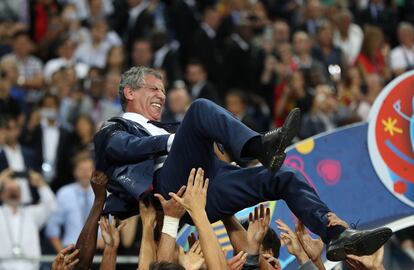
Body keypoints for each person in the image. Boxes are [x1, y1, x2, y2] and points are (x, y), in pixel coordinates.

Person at [94, 66, 391, 261]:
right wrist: (173, 141)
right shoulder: (114, 128)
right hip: (171, 190)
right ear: (129, 92)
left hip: (209, 183)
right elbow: (124, 148)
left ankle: (336, 235)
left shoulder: (168, 126)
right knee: (198, 108)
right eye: (152, 88)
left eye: (162, 89)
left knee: (284, 176)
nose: (161, 95)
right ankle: (257, 146)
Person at [0, 171, 56, 270]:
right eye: (9, 189)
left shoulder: (31, 214)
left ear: (22, 193)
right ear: (1, 194)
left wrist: (41, 184)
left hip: (30, 266)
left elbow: (51, 205)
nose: (13, 192)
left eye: (16, 189)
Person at [46, 153, 96, 252]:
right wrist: (62, 253)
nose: (85, 173)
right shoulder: (64, 193)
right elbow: (52, 226)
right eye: (81, 169)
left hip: (98, 249)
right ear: (74, 172)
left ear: (95, 171)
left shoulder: (105, 193)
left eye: (89, 169)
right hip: (71, 248)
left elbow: (112, 223)